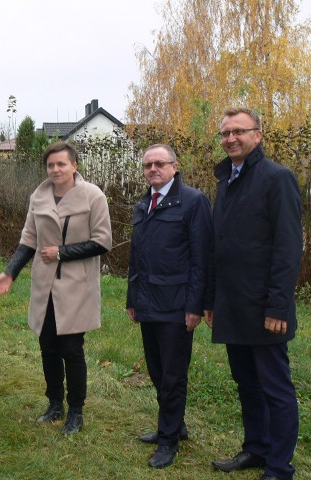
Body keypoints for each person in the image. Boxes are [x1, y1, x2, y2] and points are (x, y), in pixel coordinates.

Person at [205, 107, 302, 480]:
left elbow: (288, 248)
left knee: (275, 388)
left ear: (258, 135)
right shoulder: (226, 181)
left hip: (265, 308)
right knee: (246, 383)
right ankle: (256, 449)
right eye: (225, 133)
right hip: (233, 305)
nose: (231, 138)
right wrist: (212, 300)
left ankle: (280, 466)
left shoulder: (277, 178)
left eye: (239, 131)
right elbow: (220, 245)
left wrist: (278, 305)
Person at [0, 141, 112, 435]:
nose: (55, 169)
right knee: (47, 347)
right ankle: (54, 404)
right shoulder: (39, 195)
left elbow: (102, 242)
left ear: (74, 166)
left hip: (76, 286)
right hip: (45, 285)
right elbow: (29, 240)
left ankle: (76, 411)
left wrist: (61, 252)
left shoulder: (92, 196)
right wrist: (10, 272)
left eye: (62, 164)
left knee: (71, 349)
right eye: (50, 165)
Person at [126, 144, 212, 468]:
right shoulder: (143, 205)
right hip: (148, 302)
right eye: (148, 164)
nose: (153, 169)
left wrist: (196, 306)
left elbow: (201, 259)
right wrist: (132, 299)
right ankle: (176, 424)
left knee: (173, 375)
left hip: (177, 306)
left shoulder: (193, 202)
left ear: (174, 167)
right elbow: (137, 257)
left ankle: (168, 441)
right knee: (158, 370)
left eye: (159, 163)